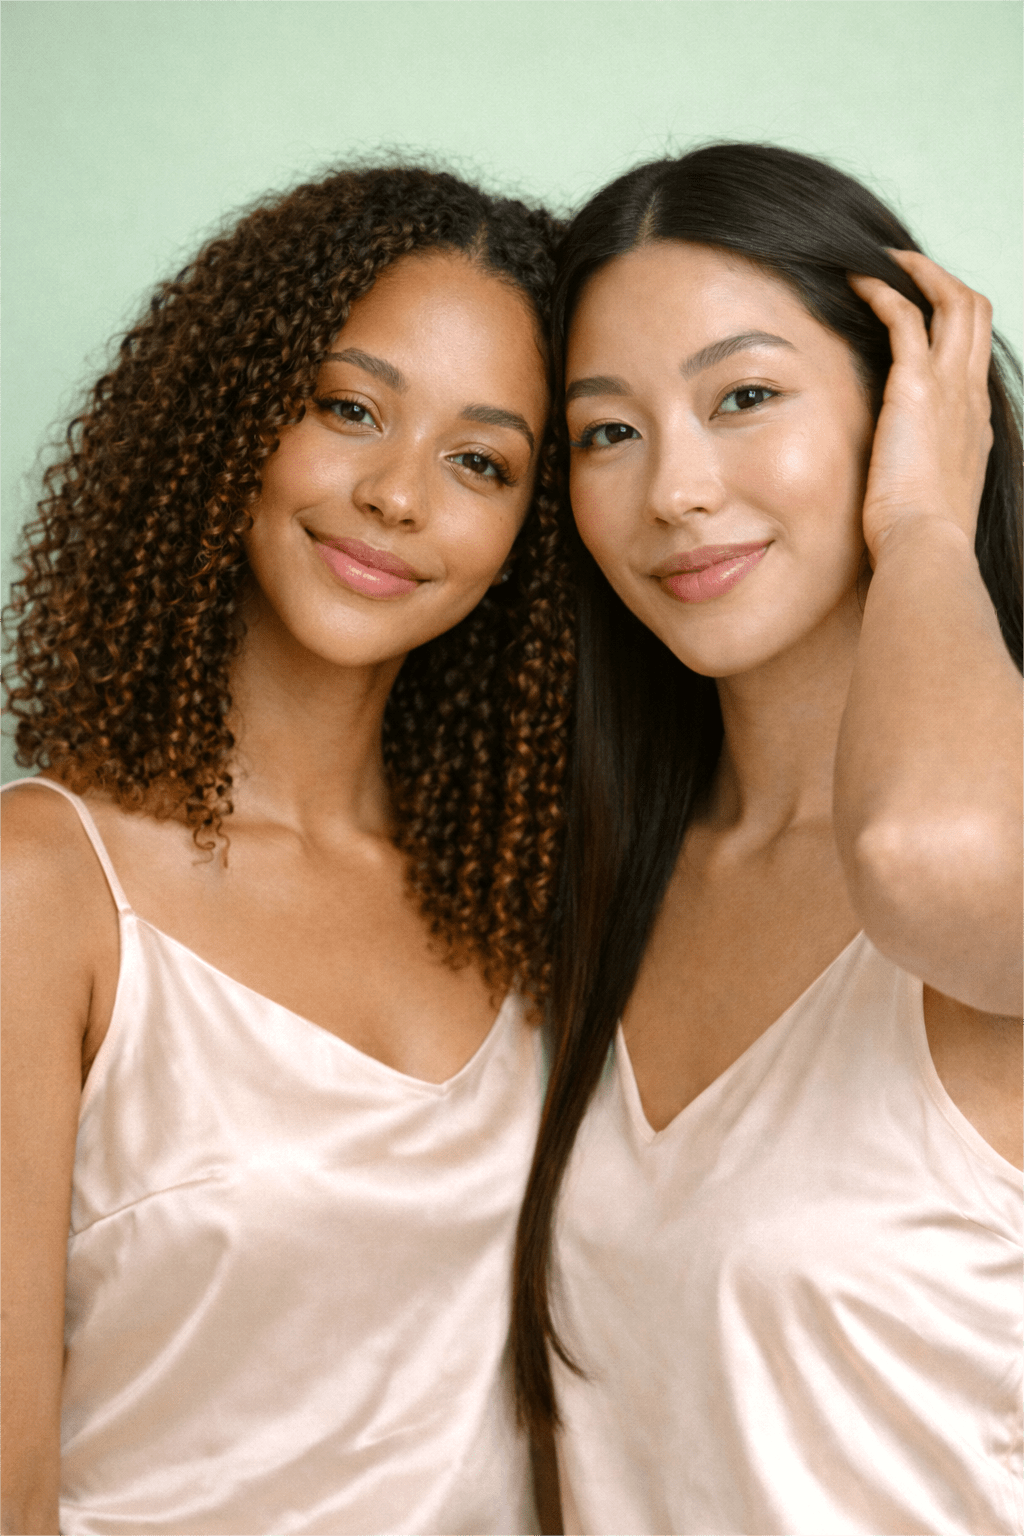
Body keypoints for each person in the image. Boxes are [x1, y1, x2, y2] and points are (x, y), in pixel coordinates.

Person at [0, 163, 575, 1535]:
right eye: (350, 408)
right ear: (232, 415)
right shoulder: (45, 889)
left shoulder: (534, 895)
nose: (396, 494)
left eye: (480, 461)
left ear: (530, 538)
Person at [512, 143, 1023, 1536]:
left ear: (906, 407)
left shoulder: (979, 839)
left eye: (745, 396)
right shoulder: (595, 879)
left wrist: (926, 522)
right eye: (607, 432)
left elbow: (927, 859)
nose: (675, 489)